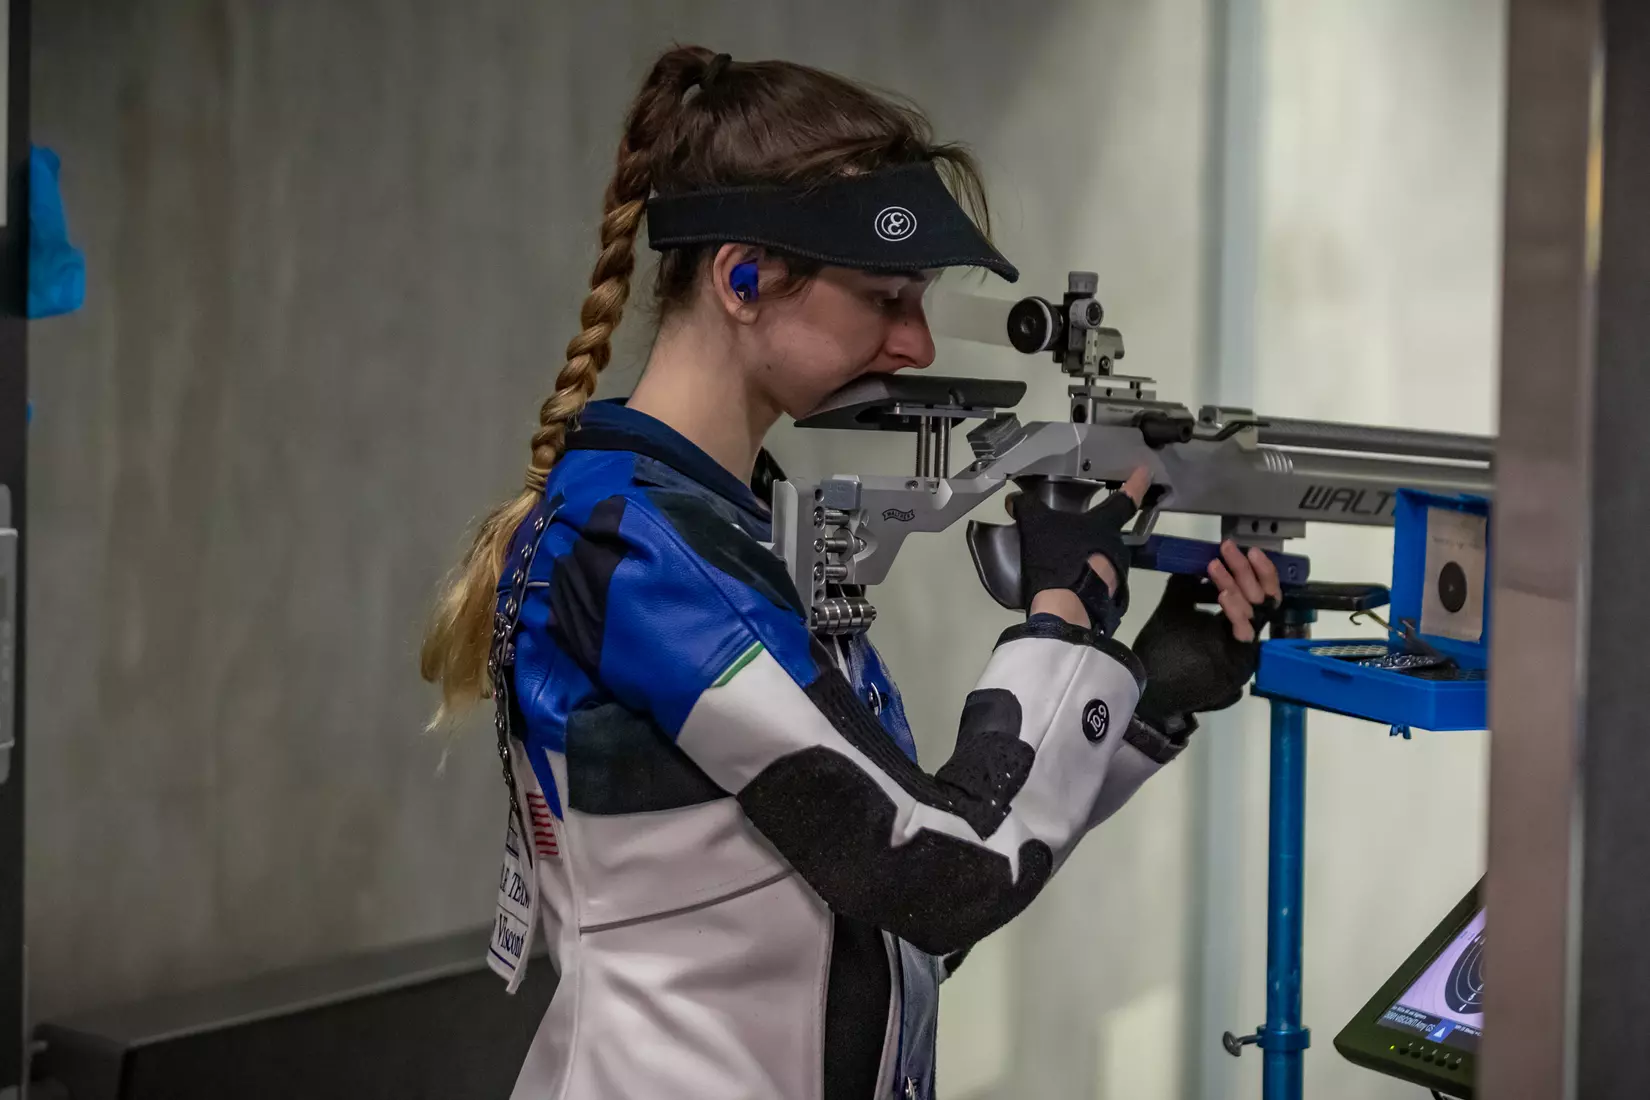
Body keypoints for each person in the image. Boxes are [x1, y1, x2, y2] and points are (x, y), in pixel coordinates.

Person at [420, 45, 1282, 1100]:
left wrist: (1144, 690)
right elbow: (934, 873)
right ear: (742, 278)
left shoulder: (720, 533)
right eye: (885, 298)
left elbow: (874, 923)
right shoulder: (641, 553)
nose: (916, 343)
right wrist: (1062, 620)